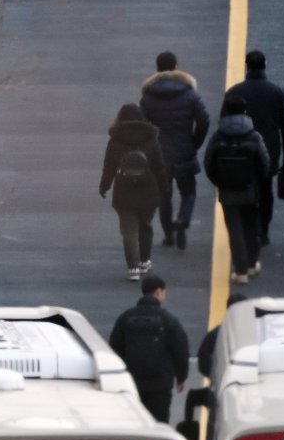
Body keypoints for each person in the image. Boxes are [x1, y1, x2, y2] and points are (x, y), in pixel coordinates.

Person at [140, 51, 210, 251]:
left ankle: (169, 235)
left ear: (157, 69)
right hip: (184, 151)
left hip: (160, 155)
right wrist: (194, 142)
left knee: (164, 196)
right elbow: (204, 120)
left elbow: (142, 125)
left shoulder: (148, 96)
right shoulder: (189, 93)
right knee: (189, 192)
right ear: (176, 67)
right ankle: (183, 220)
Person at [224, 50, 284, 247]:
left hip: (238, 152)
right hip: (269, 151)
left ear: (246, 65)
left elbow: (223, 122)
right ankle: (263, 231)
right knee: (266, 191)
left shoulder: (234, 91)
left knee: (243, 190)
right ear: (266, 64)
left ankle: (247, 229)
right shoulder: (276, 91)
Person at [203, 95, 269, 285]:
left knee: (234, 230)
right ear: (245, 112)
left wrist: (219, 181)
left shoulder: (218, 135)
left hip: (227, 190)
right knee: (251, 226)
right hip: (249, 187)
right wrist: (256, 181)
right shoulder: (254, 135)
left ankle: (240, 271)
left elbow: (208, 163)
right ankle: (251, 264)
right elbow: (264, 162)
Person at [100, 104, 170, 281]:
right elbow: (160, 167)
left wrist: (104, 186)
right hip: (149, 189)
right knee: (145, 226)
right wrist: (164, 187)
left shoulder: (115, 140)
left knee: (129, 231)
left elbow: (109, 167)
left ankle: (133, 269)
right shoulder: (151, 139)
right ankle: (145, 261)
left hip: (124, 191)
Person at [109, 274, 190, 423]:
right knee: (159, 424)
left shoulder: (125, 318)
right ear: (159, 292)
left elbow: (114, 348)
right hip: (160, 383)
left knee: (135, 423)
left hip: (132, 382)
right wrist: (181, 377)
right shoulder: (168, 319)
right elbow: (180, 349)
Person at [196, 293, 247, 380]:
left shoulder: (216, 334)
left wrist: (214, 376)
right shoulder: (255, 333)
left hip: (224, 382)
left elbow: (203, 357)